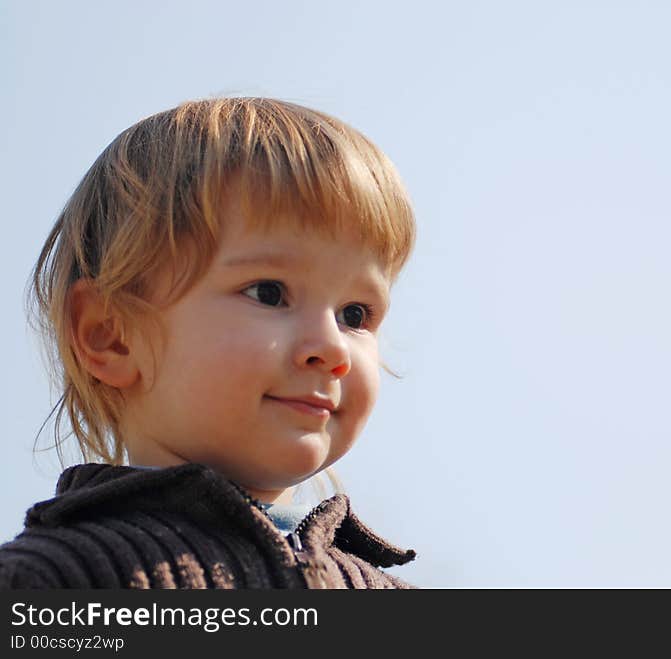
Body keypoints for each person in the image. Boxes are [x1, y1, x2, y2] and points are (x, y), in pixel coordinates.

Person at [0, 97, 417, 588]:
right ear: (110, 336)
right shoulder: (55, 581)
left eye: (355, 314)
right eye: (270, 293)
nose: (332, 348)